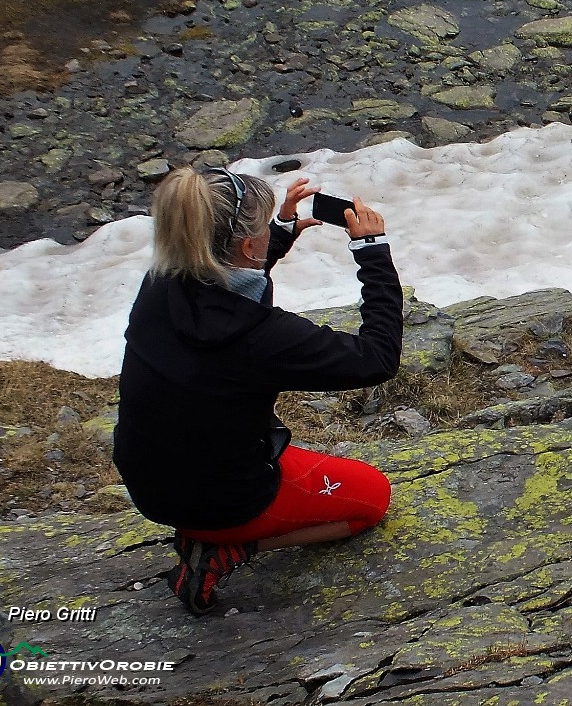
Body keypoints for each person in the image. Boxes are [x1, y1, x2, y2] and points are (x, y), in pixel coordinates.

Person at [114, 166, 403, 616]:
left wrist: (280, 234)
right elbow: (377, 358)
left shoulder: (161, 285)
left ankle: (211, 533)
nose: (272, 231)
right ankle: (226, 549)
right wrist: (372, 251)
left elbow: (226, 280)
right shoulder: (260, 338)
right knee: (372, 498)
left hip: (149, 483)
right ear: (248, 245)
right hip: (227, 498)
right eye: (265, 228)